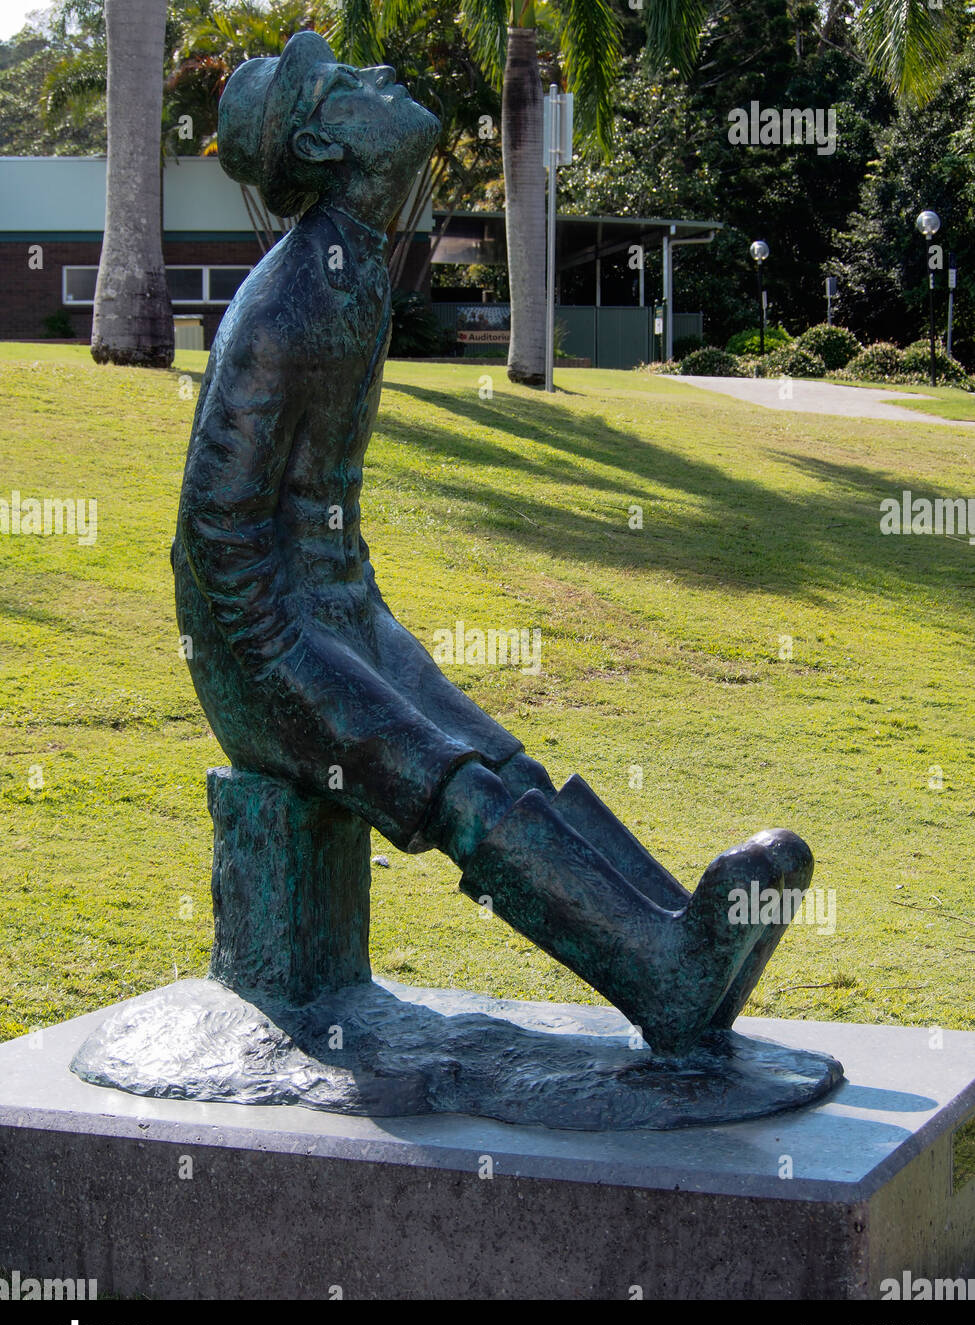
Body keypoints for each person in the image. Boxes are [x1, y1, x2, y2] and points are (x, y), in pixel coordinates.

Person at [173, 31, 812, 1056]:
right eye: (346, 85)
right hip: (265, 655)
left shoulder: (354, 272)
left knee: (502, 760)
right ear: (328, 147)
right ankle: (664, 975)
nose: (380, 78)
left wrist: (365, 629)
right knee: (455, 783)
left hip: (337, 616)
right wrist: (307, 677)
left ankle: (680, 938)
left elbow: (320, 504)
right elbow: (221, 532)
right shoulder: (289, 300)